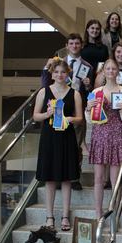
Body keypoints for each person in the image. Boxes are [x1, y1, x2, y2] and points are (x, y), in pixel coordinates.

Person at [34, 59, 83, 231]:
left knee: (67, 178)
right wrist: (46, 113)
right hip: (49, 137)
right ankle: (49, 217)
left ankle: (65, 216)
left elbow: (80, 119)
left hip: (67, 137)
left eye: (63, 72)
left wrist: (71, 119)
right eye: (56, 72)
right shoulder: (43, 92)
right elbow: (35, 117)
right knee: (49, 179)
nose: (60, 75)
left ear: (67, 73)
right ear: (52, 74)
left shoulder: (75, 93)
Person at [41, 33, 93, 191]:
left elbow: (89, 92)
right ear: (67, 45)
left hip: (75, 107)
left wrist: (88, 86)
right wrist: (45, 68)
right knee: (57, 144)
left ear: (81, 45)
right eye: (71, 43)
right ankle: (57, 176)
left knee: (76, 145)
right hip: (57, 107)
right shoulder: (58, 64)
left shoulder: (88, 67)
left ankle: (75, 176)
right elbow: (45, 83)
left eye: (77, 43)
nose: (74, 46)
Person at [85, 59, 122, 218]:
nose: (111, 71)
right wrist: (88, 108)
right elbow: (89, 119)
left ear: (117, 72)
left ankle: (114, 211)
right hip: (99, 134)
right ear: (103, 71)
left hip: (117, 133)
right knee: (98, 178)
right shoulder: (96, 92)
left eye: (114, 68)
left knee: (115, 179)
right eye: (108, 68)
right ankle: (98, 212)